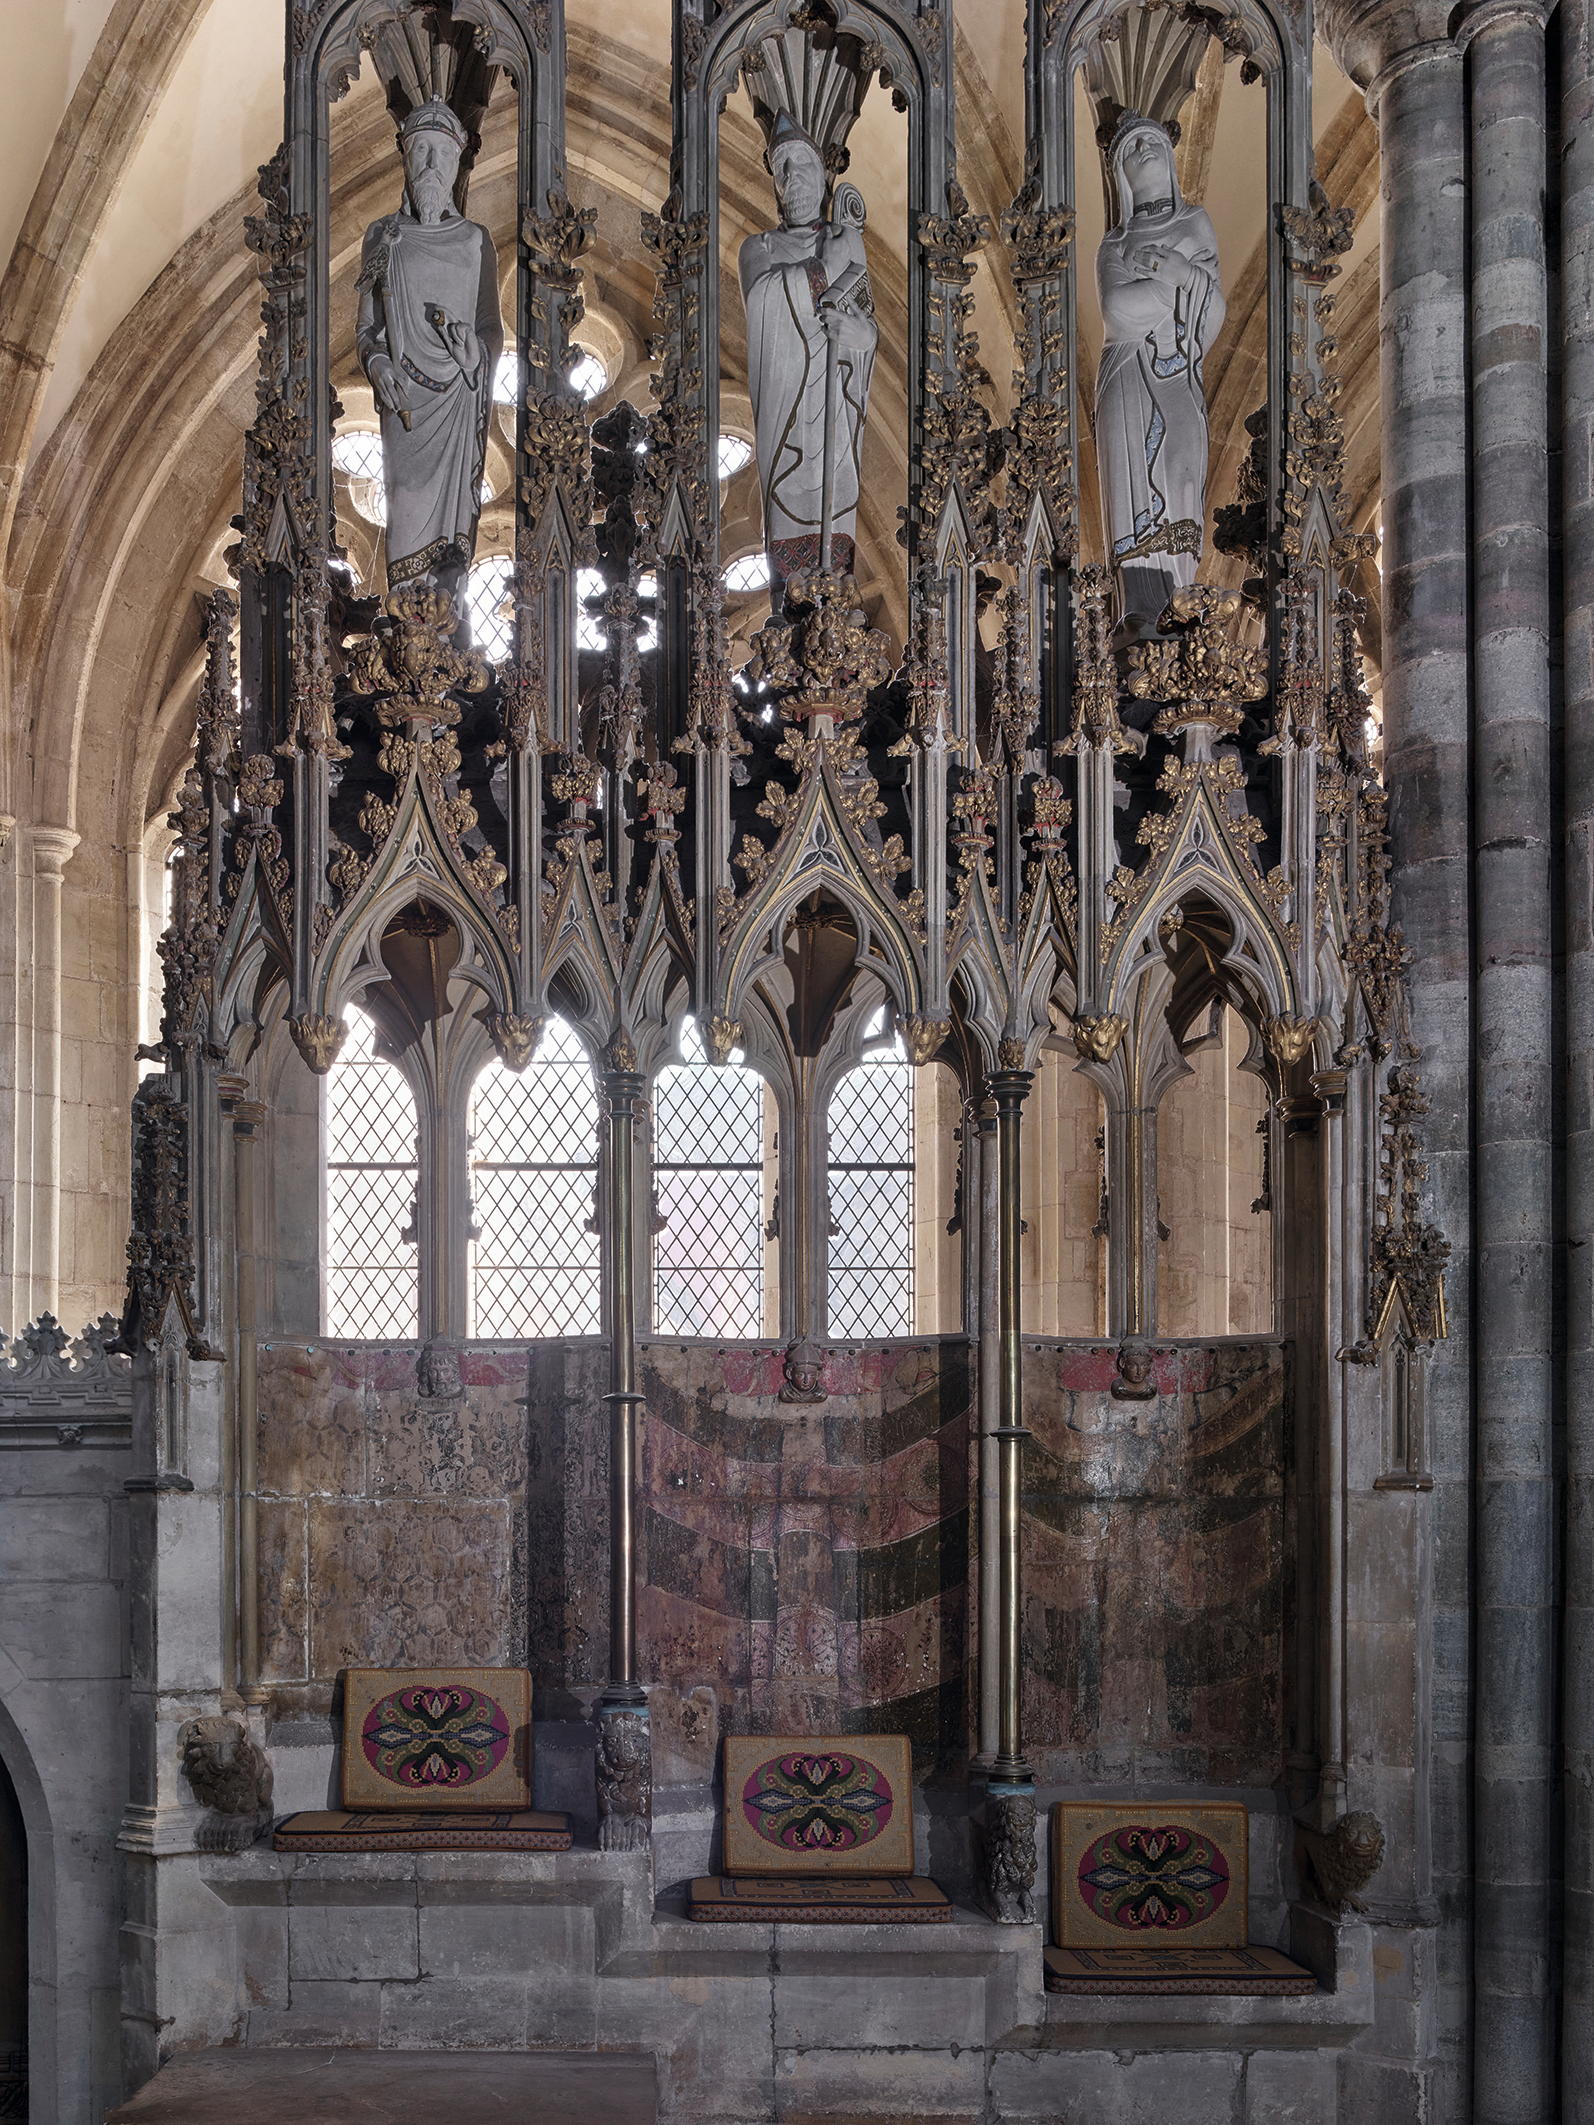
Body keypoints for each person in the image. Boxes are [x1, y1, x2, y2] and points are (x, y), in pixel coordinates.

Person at [356, 98, 502, 596]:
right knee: (405, 499)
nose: (432, 166)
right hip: (405, 407)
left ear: (458, 162)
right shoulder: (383, 236)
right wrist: (377, 364)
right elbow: (367, 329)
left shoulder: (475, 241)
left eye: (442, 153)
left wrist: (474, 356)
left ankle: (445, 610)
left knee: (450, 541)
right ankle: (405, 612)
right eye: (421, 151)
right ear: (405, 159)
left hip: (456, 403)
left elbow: (490, 327)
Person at [1094, 112, 1224, 635]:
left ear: (1170, 159)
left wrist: (1175, 278)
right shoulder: (1114, 244)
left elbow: (1213, 313)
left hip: (1178, 381)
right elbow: (1116, 312)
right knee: (1130, 486)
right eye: (1132, 147)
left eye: (1152, 142)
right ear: (1122, 172)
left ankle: (1181, 590)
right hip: (1126, 379)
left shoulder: (1195, 224)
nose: (1145, 149)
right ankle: (1140, 598)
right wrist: (1181, 279)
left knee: (1183, 473)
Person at [739, 113, 877, 593]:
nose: (792, 180)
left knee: (834, 512)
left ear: (824, 176)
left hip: (835, 410)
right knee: (789, 505)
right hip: (788, 412)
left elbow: (866, 327)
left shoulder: (846, 240)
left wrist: (861, 336)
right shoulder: (760, 247)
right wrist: (823, 270)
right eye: (782, 171)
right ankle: (789, 596)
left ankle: (835, 588)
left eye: (801, 165)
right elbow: (762, 301)